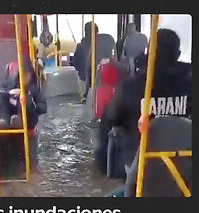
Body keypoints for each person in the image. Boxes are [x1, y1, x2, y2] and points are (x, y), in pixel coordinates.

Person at [97, 28, 192, 185]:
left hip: (142, 167)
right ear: (178, 54)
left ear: (150, 54)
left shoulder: (133, 86)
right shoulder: (190, 83)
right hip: (185, 166)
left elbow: (111, 117)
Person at [0, 56, 47, 129]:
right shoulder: (10, 83)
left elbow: (43, 107)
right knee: (1, 96)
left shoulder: (34, 88)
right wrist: (9, 93)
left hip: (28, 117)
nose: (25, 77)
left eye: (27, 74)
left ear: (31, 74)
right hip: (11, 110)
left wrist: (28, 97)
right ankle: (4, 120)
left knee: (26, 100)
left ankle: (19, 120)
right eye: (23, 74)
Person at [73, 22, 98, 102]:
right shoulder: (98, 46)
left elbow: (75, 62)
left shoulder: (80, 46)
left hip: (84, 77)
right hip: (93, 78)